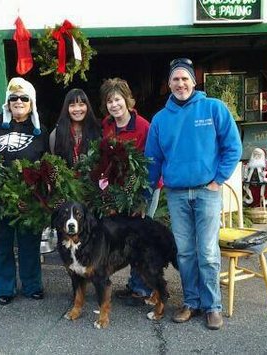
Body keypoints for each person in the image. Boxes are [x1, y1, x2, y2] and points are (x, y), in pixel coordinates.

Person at [144, 58, 242, 330]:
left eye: (185, 78)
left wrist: (218, 179)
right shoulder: (161, 120)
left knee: (208, 252)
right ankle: (191, 302)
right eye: (175, 79)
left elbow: (233, 147)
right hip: (176, 195)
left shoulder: (213, 108)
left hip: (206, 193)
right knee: (185, 252)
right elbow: (152, 160)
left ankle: (212, 306)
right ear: (169, 84)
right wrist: (144, 193)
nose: (180, 83)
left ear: (194, 81)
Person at [0, 77, 49, 305]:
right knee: (1, 245)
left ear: (31, 102)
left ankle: (32, 285)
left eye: (24, 98)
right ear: (7, 101)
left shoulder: (40, 131)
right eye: (13, 97)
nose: (18, 101)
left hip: (28, 199)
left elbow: (48, 163)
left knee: (29, 245)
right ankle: (4, 288)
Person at [99, 77, 153, 305]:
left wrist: (142, 195)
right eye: (110, 101)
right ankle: (134, 284)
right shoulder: (107, 125)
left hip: (141, 188)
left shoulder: (142, 126)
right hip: (118, 190)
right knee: (126, 237)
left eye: (118, 99)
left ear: (127, 100)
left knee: (140, 238)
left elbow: (150, 162)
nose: (114, 105)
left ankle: (143, 288)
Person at [50, 88, 101, 166]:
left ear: (87, 106)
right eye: (72, 105)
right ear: (67, 109)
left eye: (81, 104)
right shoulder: (56, 134)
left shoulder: (97, 130)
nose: (77, 109)